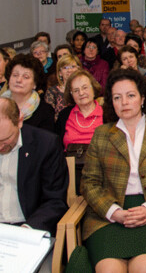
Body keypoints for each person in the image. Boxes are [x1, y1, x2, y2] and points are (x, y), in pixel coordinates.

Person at [81, 69, 146, 272]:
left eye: (130, 95)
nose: (124, 102)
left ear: (142, 98)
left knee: (143, 269)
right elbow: (89, 183)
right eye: (117, 97)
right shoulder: (102, 134)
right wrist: (114, 212)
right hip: (108, 217)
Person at [0, 97, 68, 235]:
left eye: (6, 139)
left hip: (28, 225)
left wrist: (29, 229)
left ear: (19, 121)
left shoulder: (45, 144)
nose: (0, 146)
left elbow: (55, 200)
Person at [2, 54, 55, 132]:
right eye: (15, 75)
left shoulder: (45, 111)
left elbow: (45, 141)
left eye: (25, 77)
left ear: (35, 84)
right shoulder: (1, 105)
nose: (18, 80)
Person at [56, 69, 104, 149]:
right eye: (76, 90)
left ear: (93, 88)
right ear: (71, 94)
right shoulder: (64, 115)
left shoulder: (107, 115)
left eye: (85, 88)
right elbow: (57, 148)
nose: (81, 93)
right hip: (70, 161)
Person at [45, 53, 81, 119]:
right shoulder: (52, 92)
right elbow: (49, 117)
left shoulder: (84, 90)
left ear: (79, 69)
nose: (69, 70)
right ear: (60, 73)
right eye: (65, 68)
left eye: (73, 66)